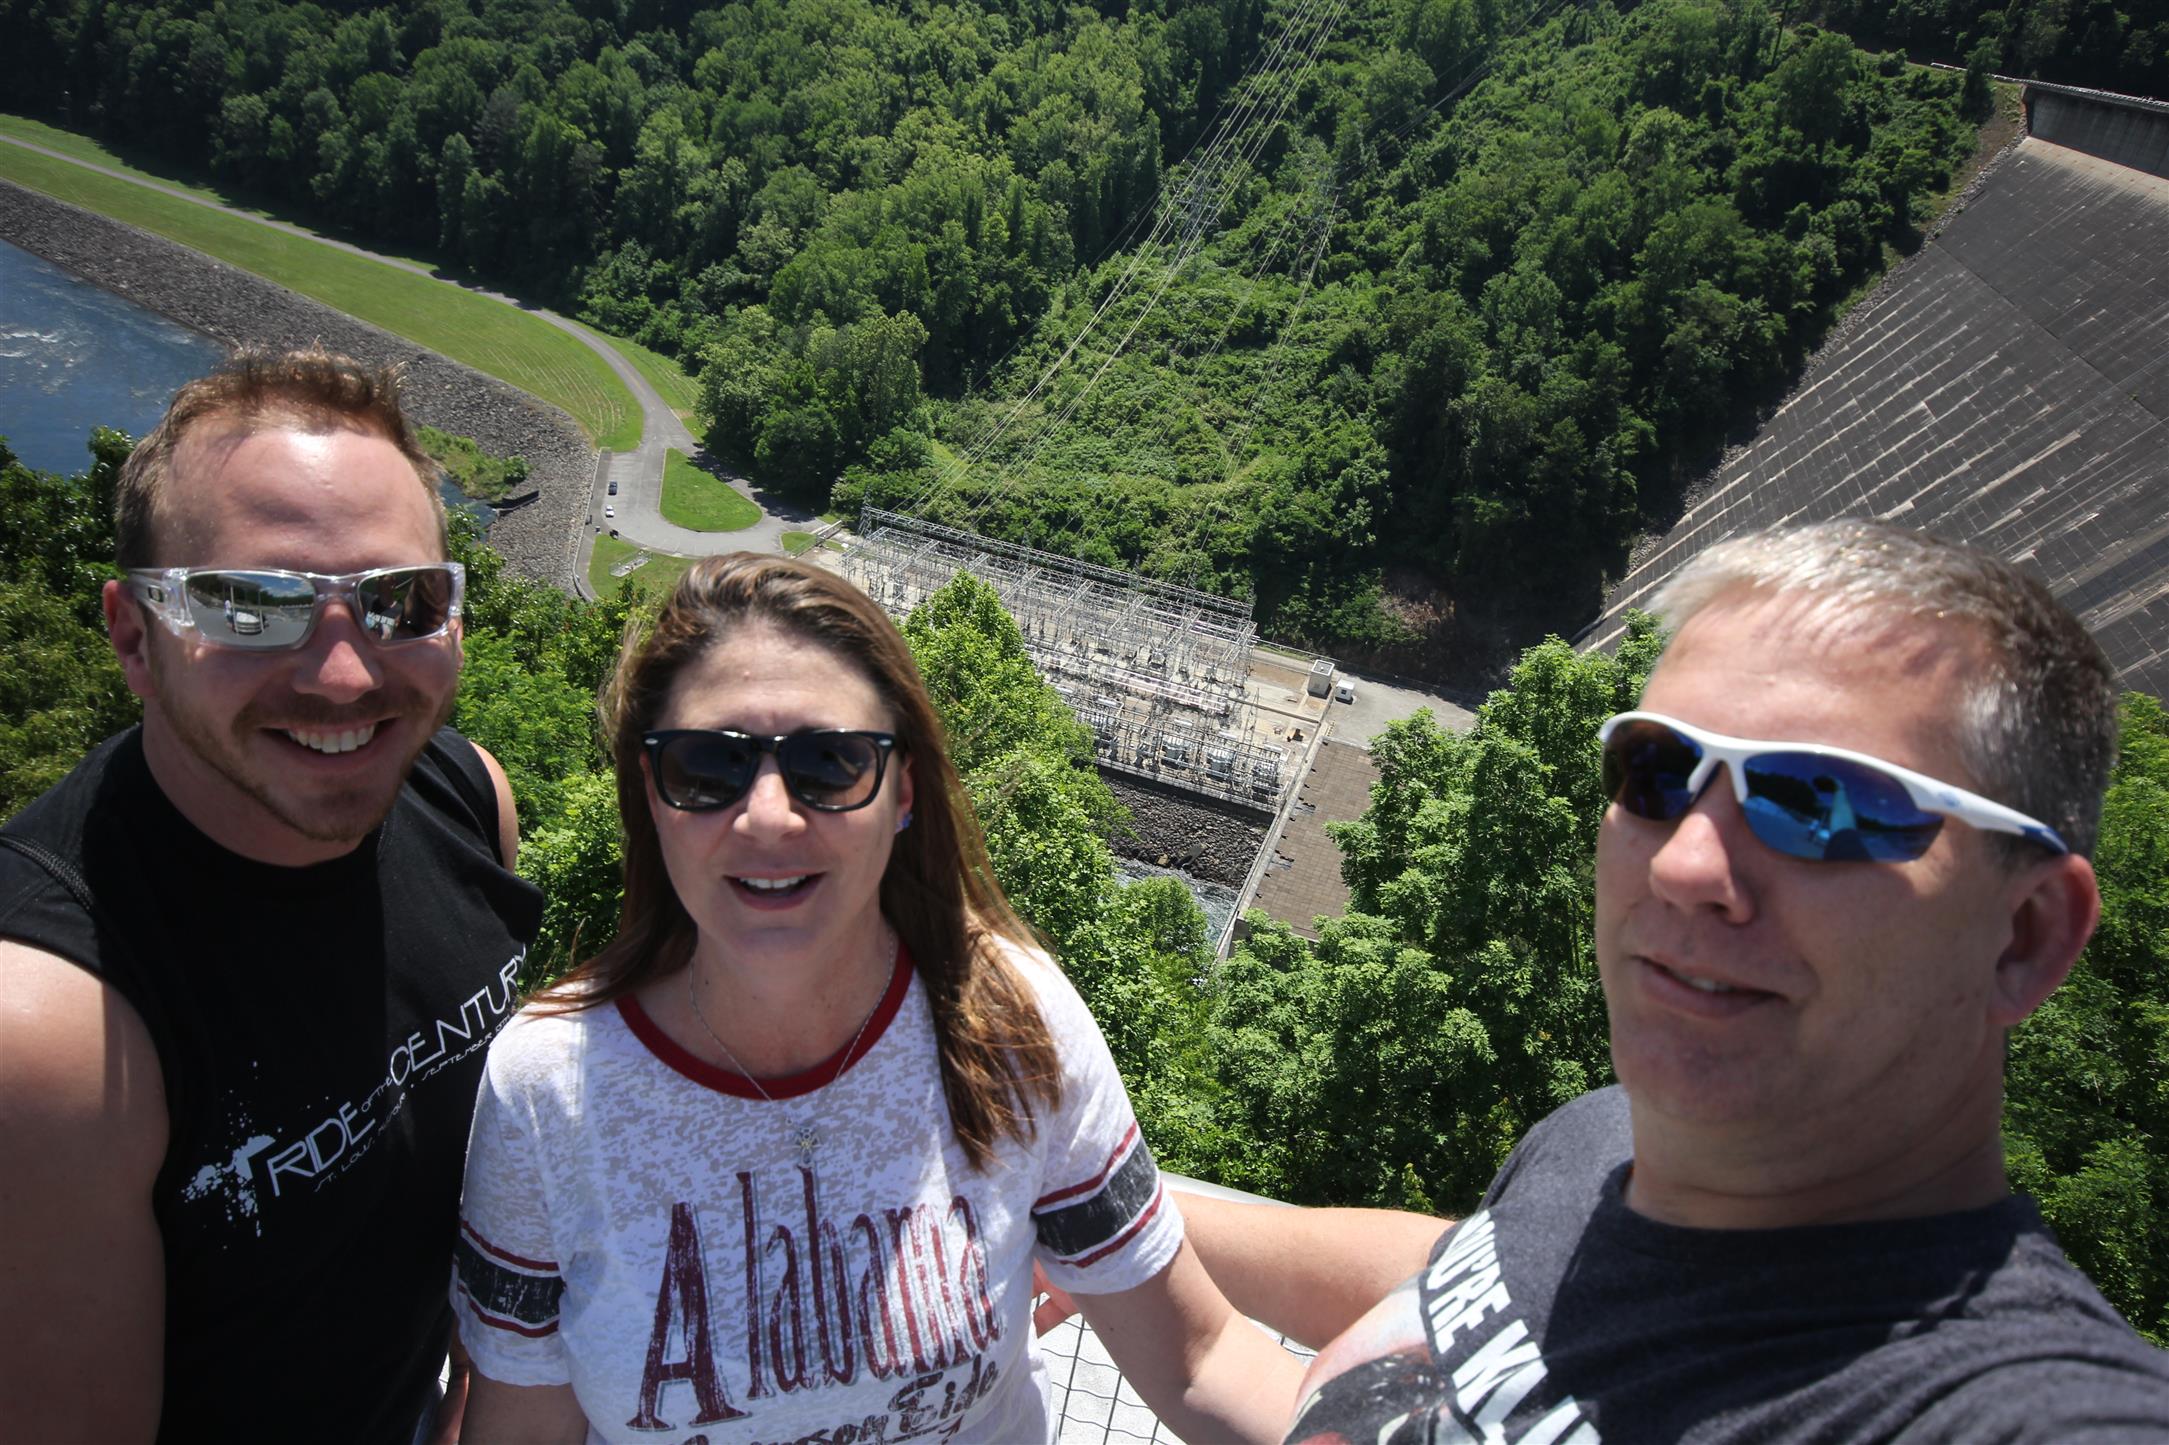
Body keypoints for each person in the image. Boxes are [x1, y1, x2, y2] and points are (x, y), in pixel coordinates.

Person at [1160, 521, 2169, 1442]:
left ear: (2024, 935)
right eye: (1655, 770)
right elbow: (1481, 1299)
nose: (1686, 863)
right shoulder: (1601, 1146)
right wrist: (1108, 1208)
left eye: (1817, 802)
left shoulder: (2008, 1409)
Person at [449, 553, 1302, 1443]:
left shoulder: (1007, 1019)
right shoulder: (550, 1087)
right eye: (707, 766)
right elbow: (522, 1429)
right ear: (652, 795)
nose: (769, 815)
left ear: (902, 791)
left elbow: (1199, 1358)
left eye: (829, 763)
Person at [0, 349, 543, 1443]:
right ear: (134, 635)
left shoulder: (464, 795)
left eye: (400, 601)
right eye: (252, 606)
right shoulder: (54, 1030)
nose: (345, 675)